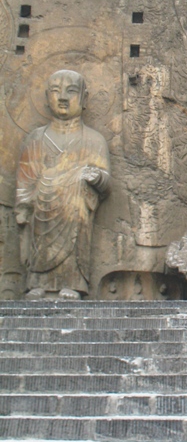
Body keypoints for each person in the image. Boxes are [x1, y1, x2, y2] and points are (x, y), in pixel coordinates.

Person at [15, 69, 110, 300]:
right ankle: (36, 282)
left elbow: (106, 182)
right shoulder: (37, 138)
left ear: (84, 98)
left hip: (76, 210)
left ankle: (73, 283)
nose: (63, 98)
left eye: (71, 91)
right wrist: (23, 207)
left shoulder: (94, 139)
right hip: (42, 211)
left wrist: (95, 177)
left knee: (77, 198)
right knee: (39, 224)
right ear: (47, 98)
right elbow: (25, 180)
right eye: (56, 92)